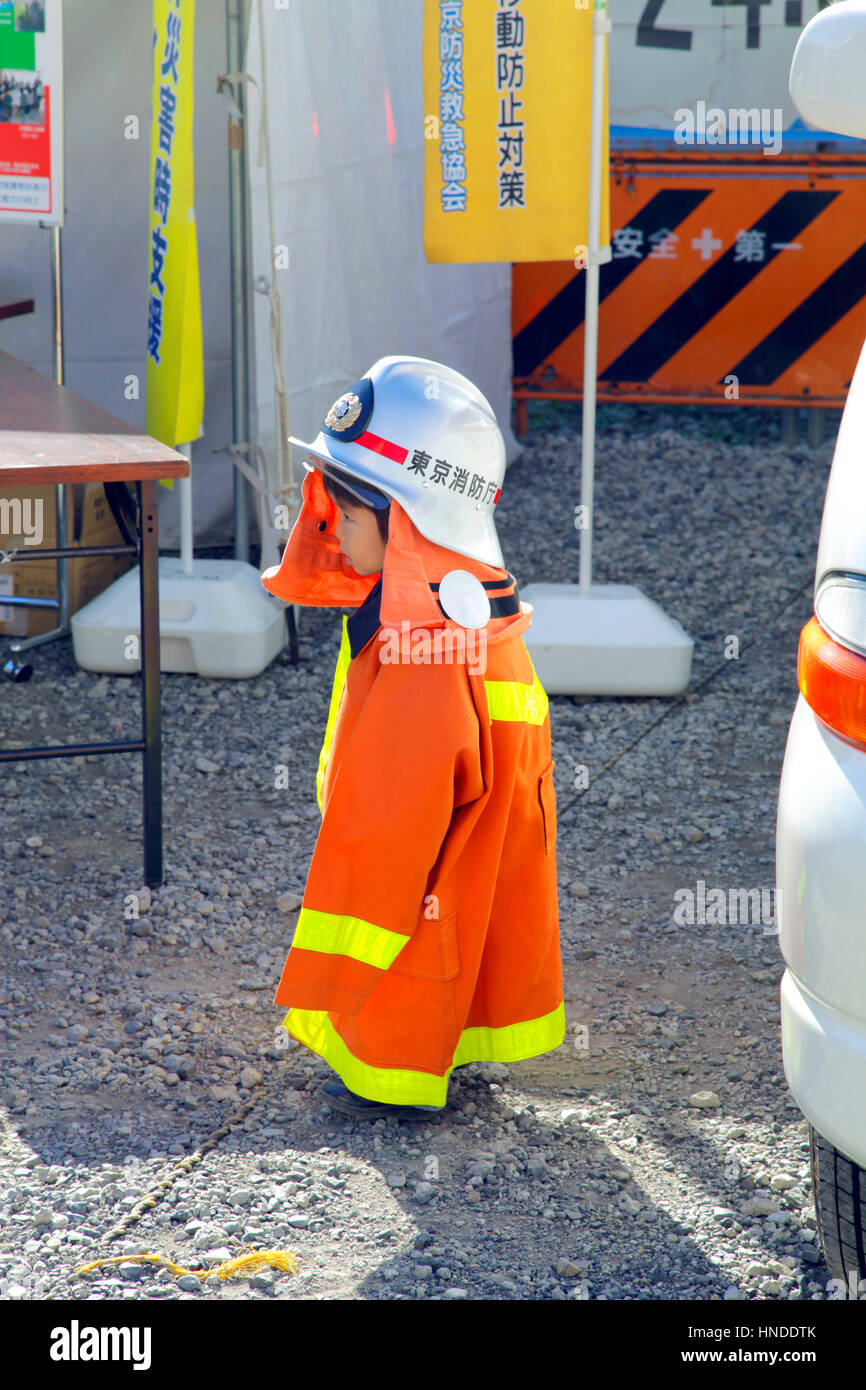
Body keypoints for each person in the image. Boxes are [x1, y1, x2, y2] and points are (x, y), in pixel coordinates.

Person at [260, 355, 564, 1121]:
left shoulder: (425, 652)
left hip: (406, 977)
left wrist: (335, 980)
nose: (332, 526)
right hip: (457, 914)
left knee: (417, 925)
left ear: (408, 523)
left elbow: (390, 838)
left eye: (349, 515)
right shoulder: (468, 613)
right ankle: (447, 1042)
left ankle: (392, 1068)